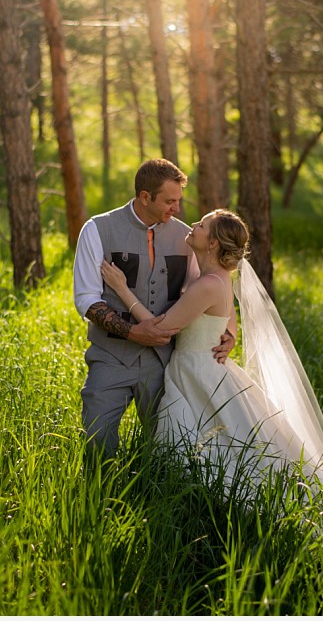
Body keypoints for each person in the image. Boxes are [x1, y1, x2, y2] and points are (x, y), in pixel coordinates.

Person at [100, 209, 323, 505]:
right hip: (200, 367)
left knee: (213, 446)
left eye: (201, 226)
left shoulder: (207, 285)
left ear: (213, 243)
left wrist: (122, 289)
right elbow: (230, 323)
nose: (193, 225)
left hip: (196, 371)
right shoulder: (215, 279)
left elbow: (161, 330)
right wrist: (229, 337)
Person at [72, 158, 235, 458]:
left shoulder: (188, 238)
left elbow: (214, 285)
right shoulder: (97, 230)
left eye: (178, 201)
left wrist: (228, 332)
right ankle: (99, 500)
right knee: (97, 441)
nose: (177, 209)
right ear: (145, 197)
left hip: (166, 365)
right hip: (110, 358)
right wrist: (133, 333)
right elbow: (86, 299)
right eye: (170, 201)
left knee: (167, 453)